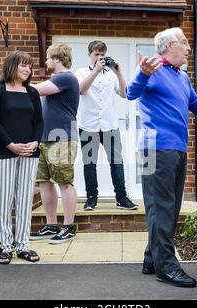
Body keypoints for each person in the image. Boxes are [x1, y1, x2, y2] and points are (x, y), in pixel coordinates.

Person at [126, 27, 197, 287]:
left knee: (170, 207)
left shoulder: (182, 77)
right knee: (162, 207)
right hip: (153, 149)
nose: (189, 48)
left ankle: (151, 258)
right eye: (185, 43)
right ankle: (166, 266)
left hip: (177, 149)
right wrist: (142, 74)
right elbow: (131, 92)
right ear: (169, 46)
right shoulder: (152, 69)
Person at [0, 51, 43, 264]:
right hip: (3, 152)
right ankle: (6, 247)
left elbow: (39, 122)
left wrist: (35, 142)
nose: (27, 70)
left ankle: (23, 245)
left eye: (29, 66)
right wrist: (11, 145)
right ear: (12, 66)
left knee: (24, 200)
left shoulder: (31, 92)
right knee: (3, 200)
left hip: (29, 152)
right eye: (23, 66)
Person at [75, 40, 138, 211]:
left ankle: (122, 198)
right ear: (89, 55)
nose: (100, 57)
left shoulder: (111, 74)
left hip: (110, 125)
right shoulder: (80, 72)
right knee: (89, 164)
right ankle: (91, 198)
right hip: (88, 125)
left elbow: (125, 95)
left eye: (102, 54)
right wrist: (95, 71)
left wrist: (119, 73)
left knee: (116, 162)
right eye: (96, 54)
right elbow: (81, 90)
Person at [30, 43, 80, 244]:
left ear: (57, 58)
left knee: (64, 182)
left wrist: (16, 83)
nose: (46, 61)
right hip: (45, 137)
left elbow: (35, 91)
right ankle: (51, 225)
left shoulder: (65, 77)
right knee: (44, 182)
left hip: (62, 138)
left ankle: (68, 227)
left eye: (49, 57)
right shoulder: (56, 78)